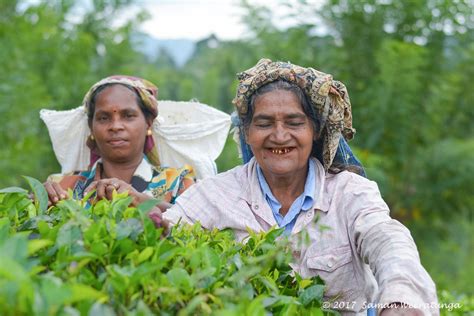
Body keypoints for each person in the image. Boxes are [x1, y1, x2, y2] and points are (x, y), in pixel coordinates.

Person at [154, 59, 438, 315]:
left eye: (294, 122)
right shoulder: (216, 193)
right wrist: (149, 220)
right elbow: (170, 230)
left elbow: (388, 241)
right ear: (247, 133)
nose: (279, 136)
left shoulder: (350, 192)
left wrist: (401, 303)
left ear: (314, 131)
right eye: (264, 123)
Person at [44, 75, 195, 211]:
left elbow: (197, 222)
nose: (115, 126)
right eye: (103, 118)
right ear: (91, 127)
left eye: (128, 116)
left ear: (148, 123)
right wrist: (38, 203)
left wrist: (136, 198)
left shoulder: (177, 182)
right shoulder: (63, 185)